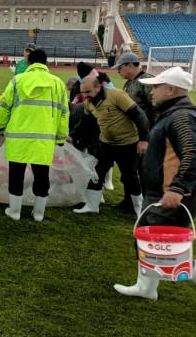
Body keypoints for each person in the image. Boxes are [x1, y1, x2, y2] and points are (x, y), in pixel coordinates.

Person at [114, 66, 196, 300]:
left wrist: (178, 188)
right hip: (161, 192)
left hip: (169, 194)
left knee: (169, 253)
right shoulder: (174, 114)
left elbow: (192, 153)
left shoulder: (181, 117)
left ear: (170, 89)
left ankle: (147, 288)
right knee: (149, 241)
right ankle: (146, 288)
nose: (151, 92)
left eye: (156, 87)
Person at [0, 49, 69, 222]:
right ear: (46, 63)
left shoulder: (17, 80)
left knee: (16, 175)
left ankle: (14, 211)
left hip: (18, 139)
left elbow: (4, 107)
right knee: (42, 176)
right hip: (44, 140)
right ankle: (39, 213)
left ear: (29, 63)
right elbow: (64, 113)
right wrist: (61, 137)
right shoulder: (58, 84)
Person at [70, 77, 149, 215]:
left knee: (130, 177)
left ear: (98, 87)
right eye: (83, 92)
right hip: (105, 143)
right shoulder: (89, 103)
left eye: (88, 91)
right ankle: (92, 206)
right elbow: (85, 122)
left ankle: (139, 210)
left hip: (127, 144)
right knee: (95, 173)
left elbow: (139, 116)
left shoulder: (116, 95)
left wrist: (143, 140)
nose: (85, 96)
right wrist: (73, 136)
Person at [113, 52, 155, 212]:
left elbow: (154, 111)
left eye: (121, 68)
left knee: (142, 172)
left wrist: (147, 137)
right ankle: (128, 201)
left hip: (143, 137)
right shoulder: (130, 83)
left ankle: (141, 204)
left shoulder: (147, 82)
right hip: (130, 136)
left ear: (131, 65)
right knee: (128, 170)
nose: (118, 72)